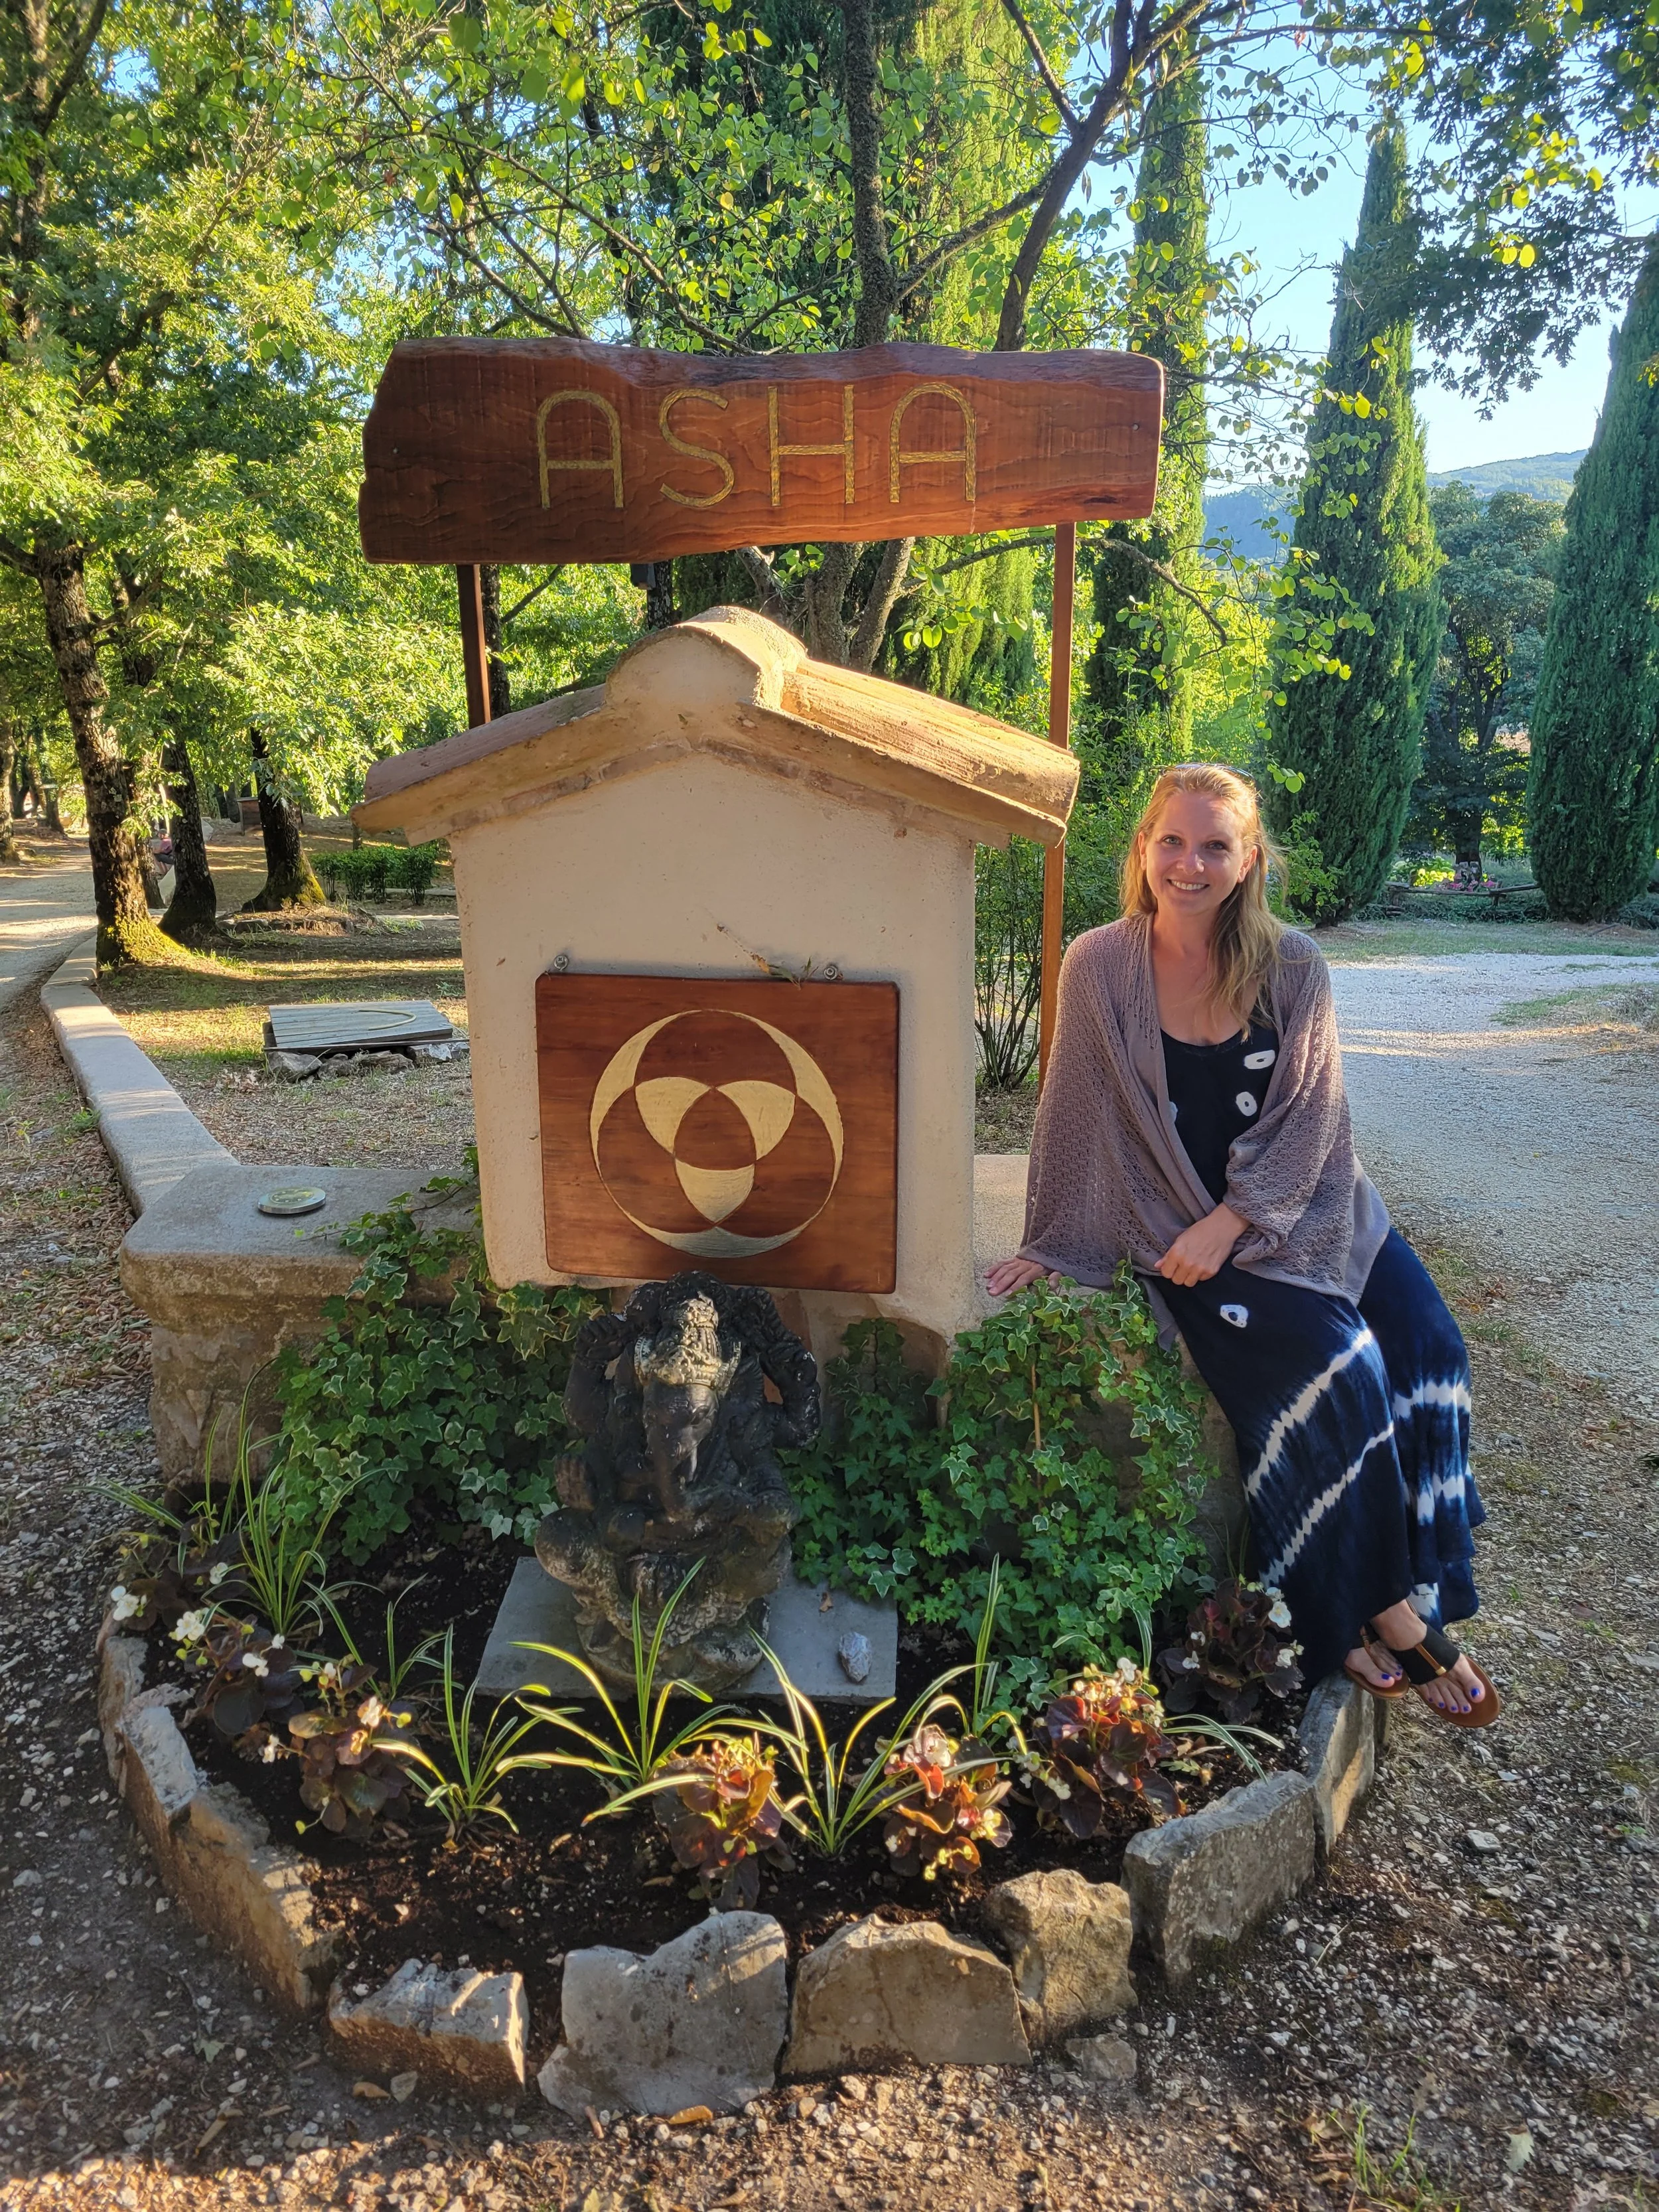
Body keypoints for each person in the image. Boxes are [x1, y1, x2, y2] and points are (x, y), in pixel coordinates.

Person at [987, 763, 1498, 1723]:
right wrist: (1055, 1241)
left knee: (1430, 1345)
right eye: (1171, 842)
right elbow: (1073, 1109)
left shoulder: (1294, 964)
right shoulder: (1099, 963)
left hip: (1313, 1207)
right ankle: (1371, 1607)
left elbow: (1315, 1119)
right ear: (1143, 850)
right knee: (1338, 1366)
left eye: (1215, 844)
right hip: (1176, 1221)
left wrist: (1241, 1220)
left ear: (1250, 859)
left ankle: (1418, 1572)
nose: (1190, 863)